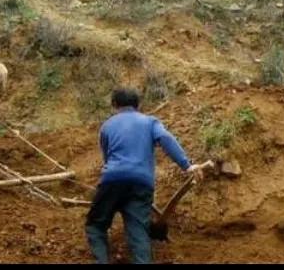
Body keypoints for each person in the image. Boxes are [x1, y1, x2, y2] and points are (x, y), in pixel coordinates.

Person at [85, 88, 204, 264]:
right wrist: (187, 165)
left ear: (114, 105)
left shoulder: (107, 126)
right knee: (138, 232)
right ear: (138, 105)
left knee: (96, 225)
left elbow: (107, 158)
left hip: (113, 180)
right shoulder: (150, 122)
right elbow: (165, 138)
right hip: (142, 183)